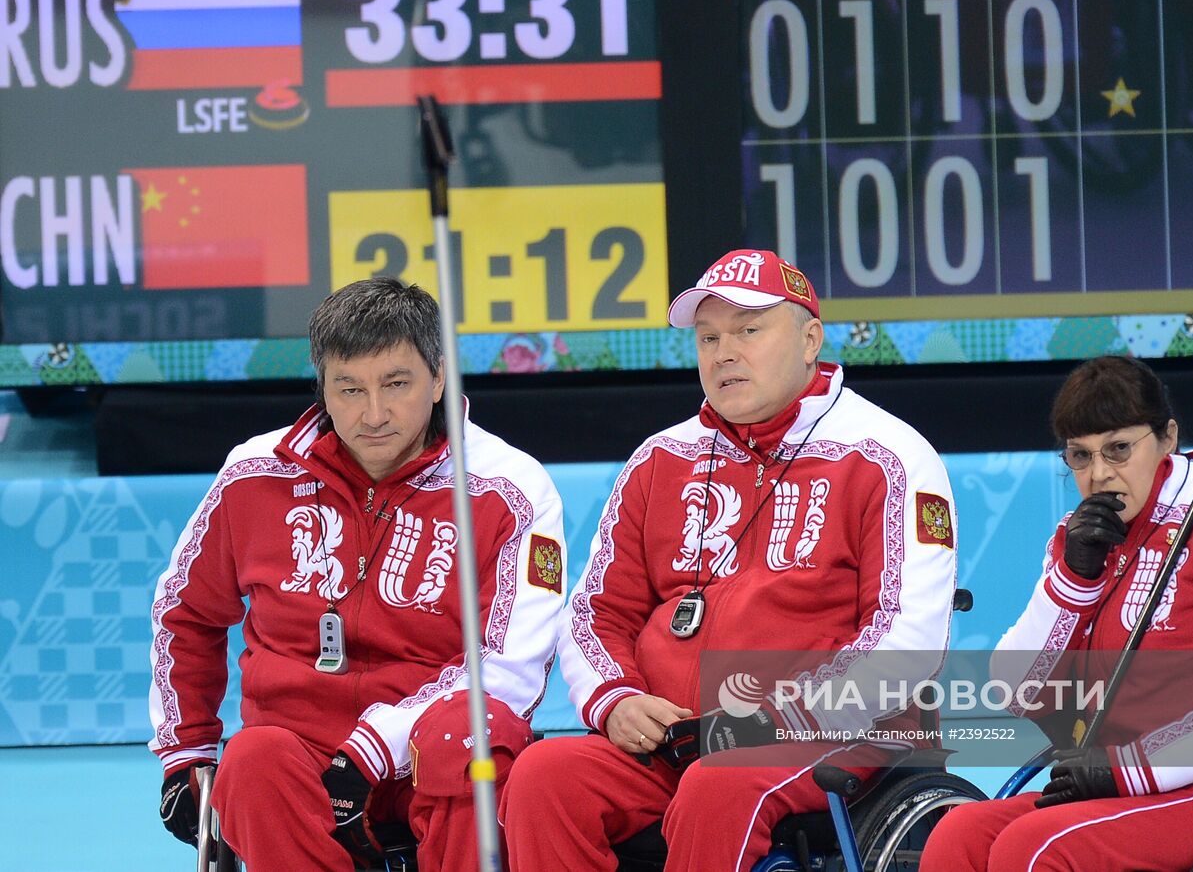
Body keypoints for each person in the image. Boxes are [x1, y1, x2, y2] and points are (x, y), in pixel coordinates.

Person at [499, 249, 961, 870]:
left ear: (809, 340)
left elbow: (907, 641)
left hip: (829, 736)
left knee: (720, 783)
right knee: (544, 775)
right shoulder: (661, 458)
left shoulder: (888, 455)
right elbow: (593, 612)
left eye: (748, 330)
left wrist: (768, 723)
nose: (723, 352)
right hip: (670, 741)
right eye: (708, 336)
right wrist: (615, 700)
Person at [149, 277, 566, 871]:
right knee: (252, 759)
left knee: (478, 743)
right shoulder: (252, 475)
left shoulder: (511, 490)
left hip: (429, 755)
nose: (374, 414)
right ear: (322, 387)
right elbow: (184, 614)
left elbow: (509, 670)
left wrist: (375, 747)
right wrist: (184, 750)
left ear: (440, 376)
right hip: (297, 753)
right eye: (349, 389)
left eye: (397, 384)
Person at [920, 355, 1193, 872]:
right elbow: (1014, 688)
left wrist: (1130, 770)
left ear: (1167, 437)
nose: (1099, 474)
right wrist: (1072, 583)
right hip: (1118, 777)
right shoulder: (1084, 533)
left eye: (1119, 449)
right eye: (1079, 457)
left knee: (1035, 848)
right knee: (961, 835)